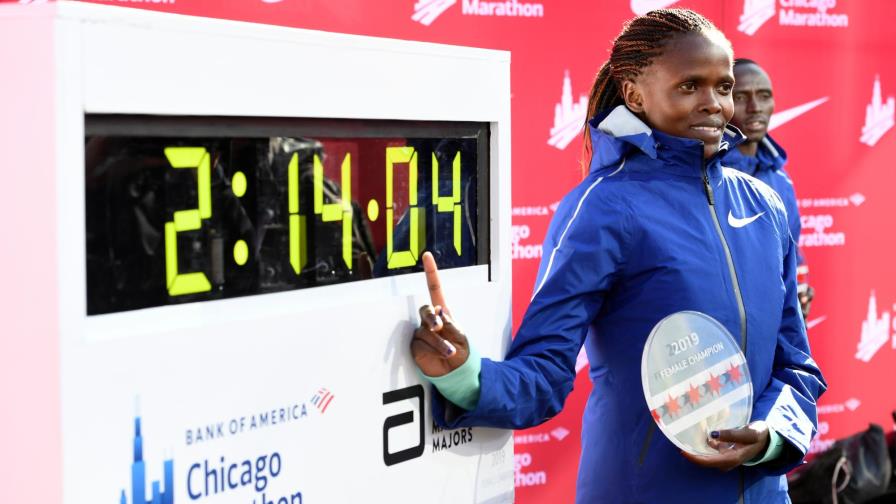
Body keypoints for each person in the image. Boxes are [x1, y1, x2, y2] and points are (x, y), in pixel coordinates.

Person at [410, 8, 826, 504]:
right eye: (689, 85)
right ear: (633, 94)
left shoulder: (764, 204)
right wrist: (466, 375)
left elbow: (795, 365)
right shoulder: (606, 207)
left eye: (723, 86)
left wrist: (771, 436)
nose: (714, 104)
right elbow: (545, 369)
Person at [722, 58, 814, 319]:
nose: (755, 108)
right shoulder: (703, 175)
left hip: (773, 327)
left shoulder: (779, 179)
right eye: (740, 97)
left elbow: (790, 253)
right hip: (721, 331)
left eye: (764, 96)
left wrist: (798, 292)